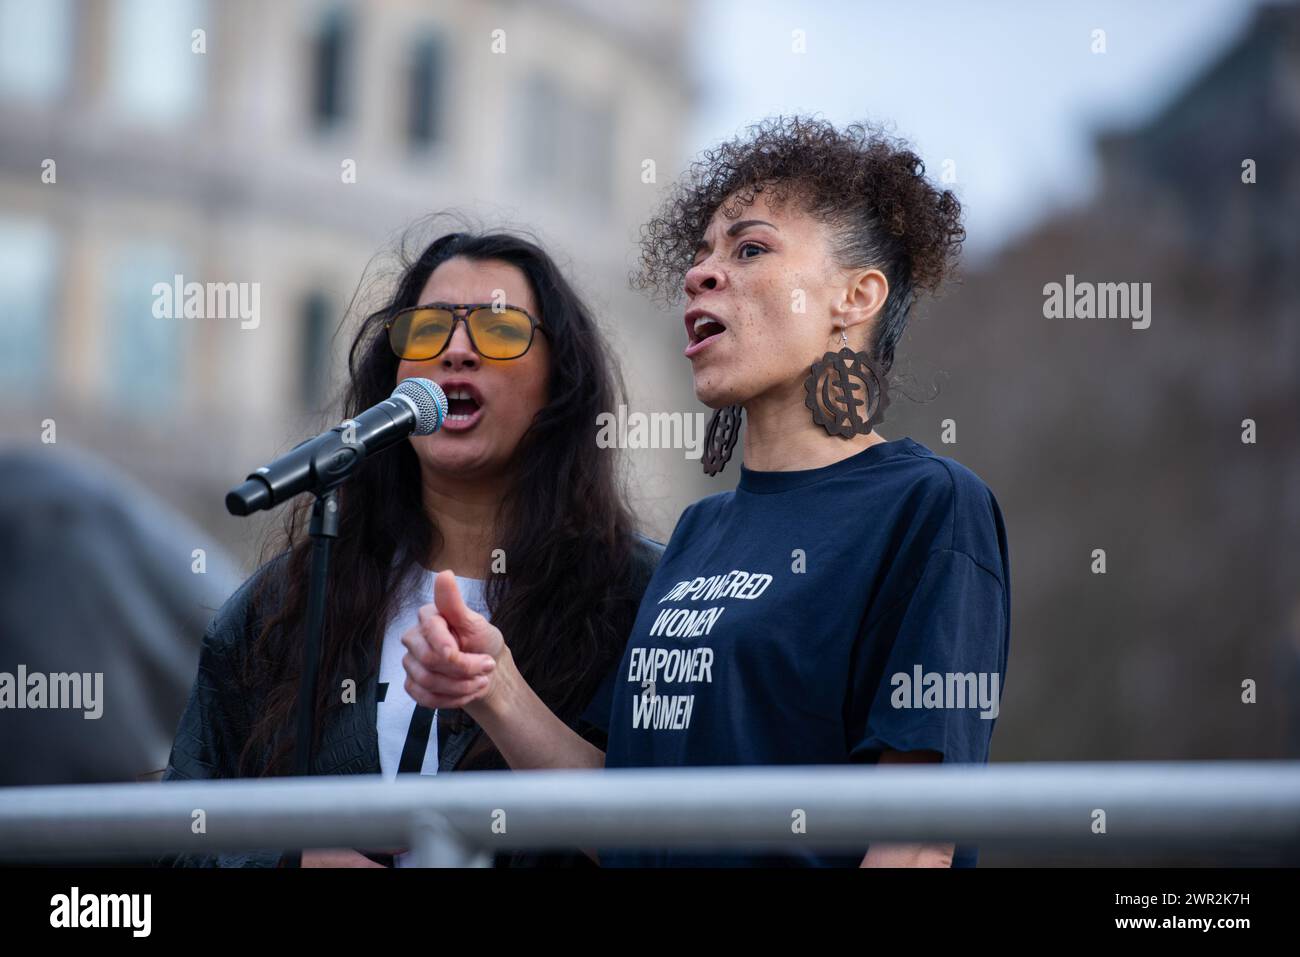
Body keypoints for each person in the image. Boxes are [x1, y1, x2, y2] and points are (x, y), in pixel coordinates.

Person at [403, 118, 1011, 867]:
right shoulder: (698, 533)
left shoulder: (930, 508)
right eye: (700, 256)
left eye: (749, 249)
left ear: (855, 297)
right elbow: (624, 819)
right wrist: (493, 686)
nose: (700, 274)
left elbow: (916, 839)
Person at [161, 228, 663, 867]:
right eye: (426, 330)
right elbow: (176, 833)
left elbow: (670, 843)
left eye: (500, 330)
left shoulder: (641, 598)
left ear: (558, 384)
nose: (456, 351)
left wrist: (500, 694)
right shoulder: (289, 599)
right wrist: (294, 862)